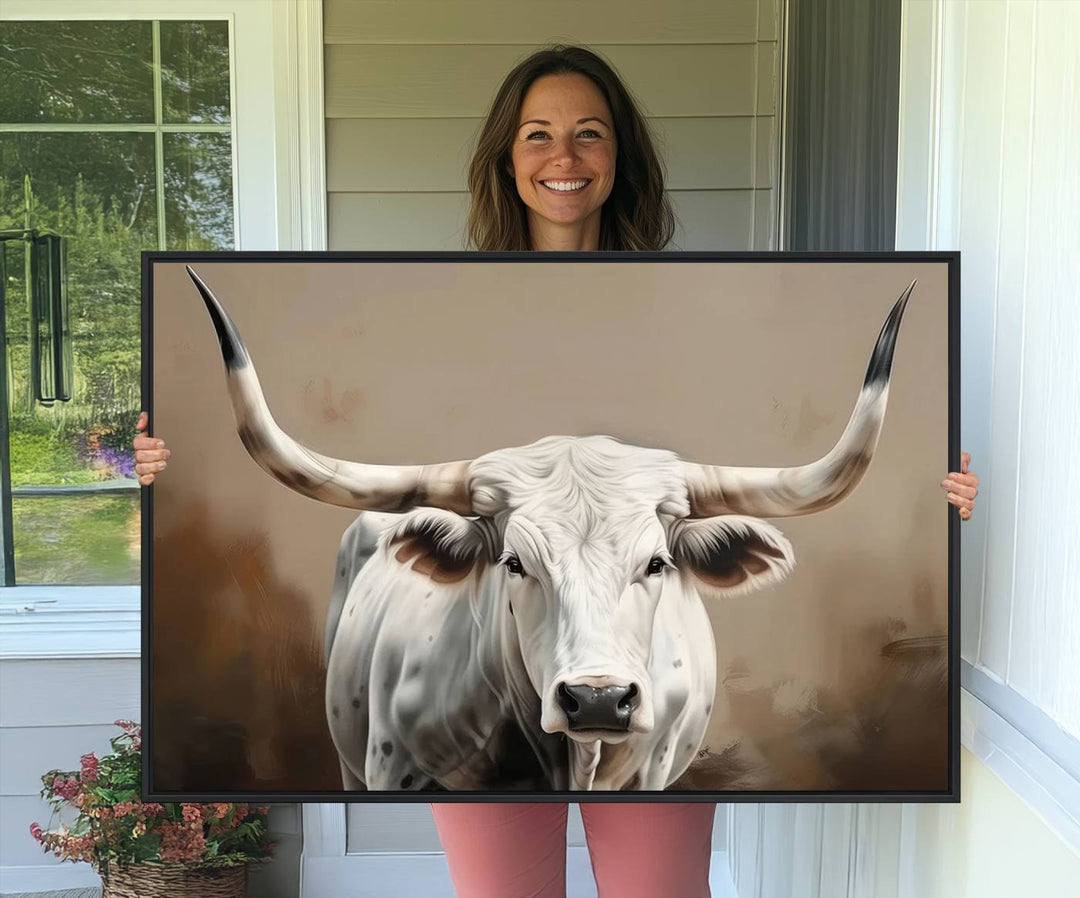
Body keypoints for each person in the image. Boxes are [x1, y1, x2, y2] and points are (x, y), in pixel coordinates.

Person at [133, 45, 979, 898]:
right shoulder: (439, 307)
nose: (563, 158)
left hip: (640, 643)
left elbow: (790, 458)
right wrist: (170, 460)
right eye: (537, 135)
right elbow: (373, 460)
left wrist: (931, 489)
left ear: (620, 158)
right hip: (482, 648)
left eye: (589, 135)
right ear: (507, 157)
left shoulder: (702, 305)